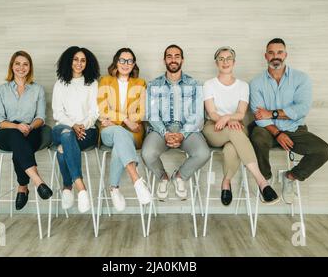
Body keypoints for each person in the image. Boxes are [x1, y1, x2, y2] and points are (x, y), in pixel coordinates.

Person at [249, 38, 328, 204]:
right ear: (266, 56)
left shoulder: (301, 79)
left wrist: (271, 113)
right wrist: (277, 132)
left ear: (285, 54)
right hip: (267, 130)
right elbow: (259, 116)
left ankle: (290, 177)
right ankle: (265, 180)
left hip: (294, 129)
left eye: (279, 52)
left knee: (323, 151)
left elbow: (301, 109)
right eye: (271, 53)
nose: (275, 56)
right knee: (257, 136)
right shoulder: (256, 82)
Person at [202, 46, 279, 206]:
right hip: (214, 128)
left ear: (234, 62)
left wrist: (229, 118)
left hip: (236, 126)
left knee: (231, 147)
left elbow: (241, 113)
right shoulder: (209, 85)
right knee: (233, 132)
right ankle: (261, 182)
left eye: (228, 58)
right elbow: (212, 112)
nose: (225, 62)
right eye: (221, 59)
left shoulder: (243, 86)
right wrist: (225, 119)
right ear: (216, 63)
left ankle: (226, 183)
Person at [142, 45, 210, 201]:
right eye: (169, 56)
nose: (173, 59)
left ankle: (179, 176)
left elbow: (198, 115)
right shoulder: (153, 84)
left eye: (177, 56)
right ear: (164, 60)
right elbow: (152, 115)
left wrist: (182, 134)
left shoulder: (194, 84)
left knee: (203, 153)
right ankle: (163, 178)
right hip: (160, 130)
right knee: (147, 153)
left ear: (182, 59)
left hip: (188, 130)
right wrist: (165, 133)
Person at [0, 50, 53, 210]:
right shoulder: (1, 90)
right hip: (6, 132)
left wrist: (30, 126)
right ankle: (38, 181)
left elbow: (41, 117)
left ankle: (23, 187)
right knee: (15, 136)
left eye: (25, 64)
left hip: (31, 131)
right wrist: (17, 126)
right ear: (12, 66)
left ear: (30, 68)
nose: (21, 67)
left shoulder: (37, 89)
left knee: (20, 145)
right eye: (17, 63)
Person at [97, 48, 152, 211]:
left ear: (133, 64)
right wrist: (126, 120)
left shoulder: (140, 83)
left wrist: (115, 120)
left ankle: (114, 188)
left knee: (119, 145)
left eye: (129, 61)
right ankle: (136, 179)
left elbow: (142, 113)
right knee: (120, 133)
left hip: (132, 132)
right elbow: (102, 110)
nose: (125, 64)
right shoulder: (105, 81)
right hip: (108, 132)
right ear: (116, 61)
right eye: (122, 60)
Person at [52, 46, 100, 213]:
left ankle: (67, 187)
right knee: (66, 133)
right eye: (75, 59)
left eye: (83, 60)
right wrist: (73, 125)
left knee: (62, 147)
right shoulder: (60, 84)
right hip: (63, 128)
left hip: (87, 131)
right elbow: (57, 113)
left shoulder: (92, 83)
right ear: (69, 61)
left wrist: (82, 126)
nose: (79, 63)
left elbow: (95, 112)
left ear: (87, 63)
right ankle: (81, 188)